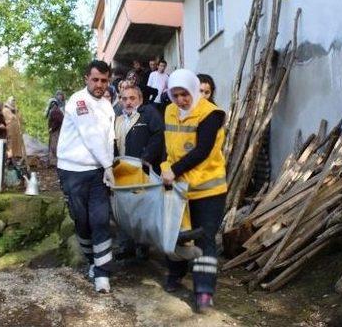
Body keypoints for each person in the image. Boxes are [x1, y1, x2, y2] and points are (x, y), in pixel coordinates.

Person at [160, 69, 227, 314]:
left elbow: (202, 151)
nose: (180, 100)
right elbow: (164, 144)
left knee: (204, 239)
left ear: (193, 89)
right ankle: (175, 274)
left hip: (208, 190)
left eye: (185, 94)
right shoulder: (169, 111)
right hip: (178, 186)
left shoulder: (211, 114)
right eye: (175, 95)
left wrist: (174, 170)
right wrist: (160, 167)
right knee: (174, 234)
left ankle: (204, 292)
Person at [57, 60, 116, 293]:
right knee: (82, 222)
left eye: (104, 80)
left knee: (101, 220)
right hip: (73, 171)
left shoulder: (108, 107)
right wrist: (109, 165)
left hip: (98, 171)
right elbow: (90, 135)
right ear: (86, 79)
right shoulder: (78, 101)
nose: (100, 84)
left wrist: (108, 167)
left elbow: (109, 140)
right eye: (95, 80)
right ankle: (93, 262)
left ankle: (103, 274)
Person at [113, 84, 164, 260]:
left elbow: (159, 136)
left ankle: (143, 247)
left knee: (142, 209)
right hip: (122, 172)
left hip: (142, 171)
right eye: (124, 98)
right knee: (124, 210)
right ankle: (126, 246)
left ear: (140, 99)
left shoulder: (149, 114)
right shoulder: (117, 119)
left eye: (132, 98)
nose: (128, 102)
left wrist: (146, 158)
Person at [2, 96, 25, 163]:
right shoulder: (5, 110)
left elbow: (20, 120)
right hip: (9, 131)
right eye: (12, 101)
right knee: (10, 145)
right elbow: (10, 119)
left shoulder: (16, 111)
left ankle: (16, 158)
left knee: (16, 146)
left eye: (14, 101)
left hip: (16, 132)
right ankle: (9, 159)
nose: (13, 102)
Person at [46, 91, 65, 165]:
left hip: (56, 131)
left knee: (54, 145)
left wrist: (52, 128)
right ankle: (53, 161)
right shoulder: (55, 110)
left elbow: (58, 121)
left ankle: (55, 162)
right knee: (53, 145)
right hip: (56, 130)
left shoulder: (55, 111)